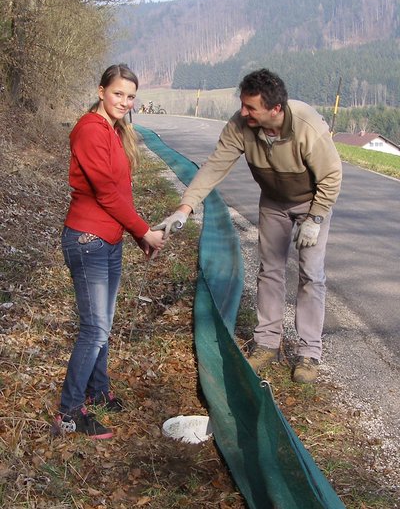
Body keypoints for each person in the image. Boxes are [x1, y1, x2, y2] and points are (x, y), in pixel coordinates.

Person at [157, 69, 342, 384]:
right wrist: (185, 208)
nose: (243, 112)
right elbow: (215, 165)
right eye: (242, 104)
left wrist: (315, 218)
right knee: (269, 270)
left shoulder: (306, 125)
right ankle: (267, 342)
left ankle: (309, 352)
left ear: (275, 109)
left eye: (250, 107)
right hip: (273, 202)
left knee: (311, 275)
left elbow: (332, 175)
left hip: (312, 203)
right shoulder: (241, 126)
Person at [54, 64, 165, 439]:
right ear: (101, 91)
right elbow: (103, 192)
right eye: (118, 93)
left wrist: (136, 236)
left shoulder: (114, 131)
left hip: (109, 240)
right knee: (94, 328)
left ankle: (98, 391)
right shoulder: (90, 129)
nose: (125, 101)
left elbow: (121, 194)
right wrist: (144, 231)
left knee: (104, 322)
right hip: (88, 240)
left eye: (131, 96)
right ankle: (69, 413)